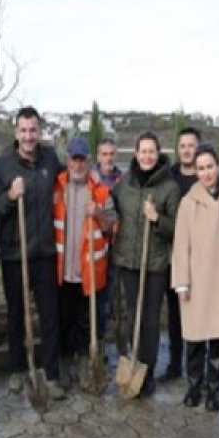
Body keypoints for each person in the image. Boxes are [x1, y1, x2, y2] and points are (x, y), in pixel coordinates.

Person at [0, 106, 66, 400]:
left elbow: (65, 187)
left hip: (45, 251)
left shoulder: (50, 159)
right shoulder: (4, 165)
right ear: (15, 132)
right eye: (23, 130)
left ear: (40, 131)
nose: (28, 135)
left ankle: (52, 373)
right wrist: (10, 197)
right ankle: (17, 369)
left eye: (33, 130)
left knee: (49, 315)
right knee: (17, 315)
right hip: (15, 253)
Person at [111, 132, 180, 397]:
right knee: (132, 316)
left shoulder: (169, 187)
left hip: (154, 264)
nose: (147, 156)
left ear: (158, 153)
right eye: (142, 151)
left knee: (149, 319)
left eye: (151, 151)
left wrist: (157, 218)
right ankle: (134, 362)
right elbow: (113, 207)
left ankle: (147, 370)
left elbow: (176, 228)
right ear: (136, 154)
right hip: (128, 260)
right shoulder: (125, 182)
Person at [171, 145, 219, 411]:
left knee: (217, 338)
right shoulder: (189, 202)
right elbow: (181, 244)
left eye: (209, 166)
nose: (206, 173)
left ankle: (213, 389)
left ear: (217, 166)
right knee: (195, 338)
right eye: (200, 168)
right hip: (197, 279)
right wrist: (182, 282)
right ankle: (194, 385)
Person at [54, 137, 116, 387]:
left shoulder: (100, 191)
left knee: (84, 322)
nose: (77, 165)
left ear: (88, 161)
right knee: (63, 320)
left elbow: (111, 224)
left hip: (88, 271)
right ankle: (64, 362)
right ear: (67, 160)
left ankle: (83, 362)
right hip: (62, 269)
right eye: (73, 159)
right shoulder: (57, 188)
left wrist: (98, 213)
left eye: (81, 160)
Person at [160, 126, 200, 382]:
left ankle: (198, 367)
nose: (187, 150)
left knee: (198, 311)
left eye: (191, 145)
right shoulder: (169, 177)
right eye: (182, 146)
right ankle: (175, 364)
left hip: (200, 254)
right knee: (175, 311)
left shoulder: (206, 176)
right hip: (173, 253)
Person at [91, 137, 124, 346]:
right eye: (104, 154)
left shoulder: (122, 180)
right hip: (94, 245)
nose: (108, 158)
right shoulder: (90, 179)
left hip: (115, 244)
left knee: (110, 295)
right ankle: (94, 339)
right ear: (98, 156)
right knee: (95, 293)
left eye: (111, 154)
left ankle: (106, 337)